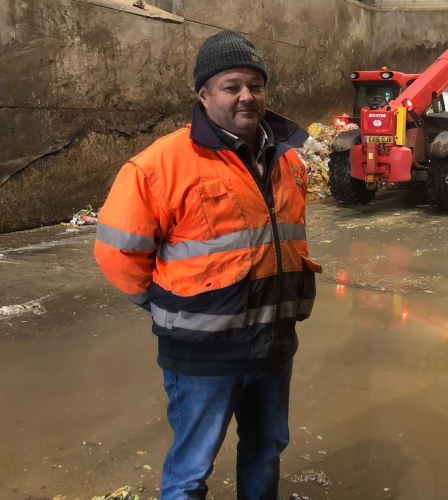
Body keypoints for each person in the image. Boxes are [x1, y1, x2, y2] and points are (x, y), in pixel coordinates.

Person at [94, 29, 321, 500]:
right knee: (192, 468)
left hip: (274, 344)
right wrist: (165, 303)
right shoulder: (159, 165)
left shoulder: (286, 159)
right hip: (203, 356)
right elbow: (117, 253)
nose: (246, 97)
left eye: (255, 86)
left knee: (266, 452)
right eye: (231, 85)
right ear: (204, 93)